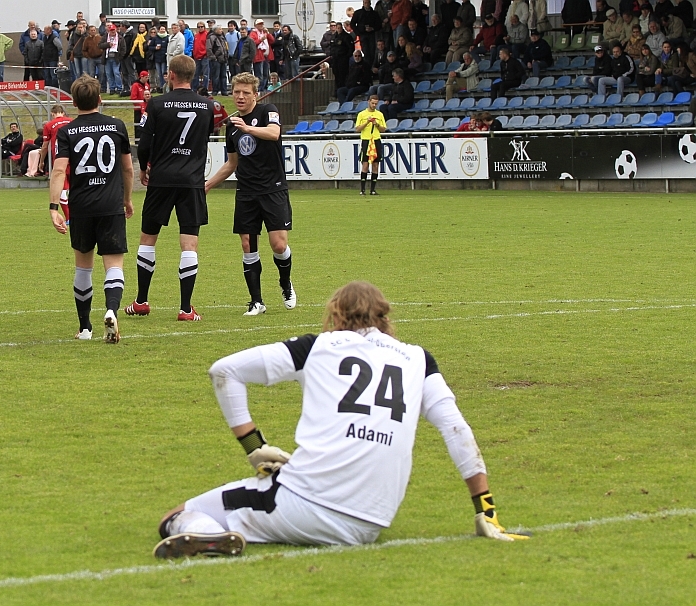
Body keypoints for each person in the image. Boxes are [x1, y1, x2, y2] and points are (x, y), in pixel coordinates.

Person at [152, 280, 528, 559]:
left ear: (336, 315)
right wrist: (486, 509)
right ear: (384, 318)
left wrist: (255, 446)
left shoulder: (318, 346)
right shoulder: (418, 359)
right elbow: (456, 428)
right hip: (373, 521)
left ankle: (208, 535)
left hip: (307, 503)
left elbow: (224, 371)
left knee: (178, 516)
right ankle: (225, 531)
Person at [126, 55, 214, 321]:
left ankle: (141, 301)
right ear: (192, 75)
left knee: (148, 239)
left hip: (162, 178)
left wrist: (144, 168)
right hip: (192, 181)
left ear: (172, 74)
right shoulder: (207, 106)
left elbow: (144, 142)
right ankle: (186, 308)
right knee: (189, 244)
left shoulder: (157, 104)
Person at [48, 75, 133, 343]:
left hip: (81, 206)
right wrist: (127, 199)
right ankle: (111, 310)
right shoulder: (117, 126)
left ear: (73, 102)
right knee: (114, 264)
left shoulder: (67, 131)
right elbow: (128, 168)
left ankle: (85, 328)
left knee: (83, 267)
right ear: (99, 99)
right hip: (111, 204)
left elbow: (59, 170)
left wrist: (53, 207)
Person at [205, 71, 296, 317]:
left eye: (246, 92)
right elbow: (231, 164)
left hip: (273, 188)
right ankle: (256, 301)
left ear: (255, 94)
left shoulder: (268, 111)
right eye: (236, 92)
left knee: (279, 244)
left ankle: (285, 282)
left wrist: (248, 128)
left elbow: (274, 134)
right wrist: (208, 184)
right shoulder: (232, 127)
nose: (240, 96)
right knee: (247, 244)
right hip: (246, 192)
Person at [354, 94, 386, 195]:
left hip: (376, 140)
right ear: (368, 102)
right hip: (366, 141)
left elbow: (383, 129)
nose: (374, 105)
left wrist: (377, 124)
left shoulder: (379, 114)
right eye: (372, 103)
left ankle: (373, 190)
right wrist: (367, 122)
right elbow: (357, 129)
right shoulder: (362, 114)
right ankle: (362, 190)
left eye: (376, 104)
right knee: (365, 164)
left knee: (375, 165)